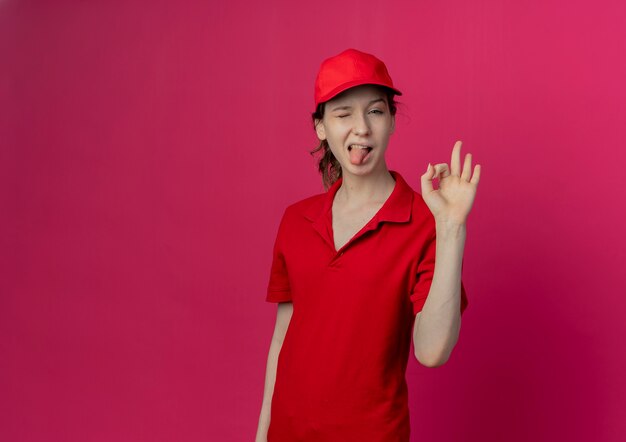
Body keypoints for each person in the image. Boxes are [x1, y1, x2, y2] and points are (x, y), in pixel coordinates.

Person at [256, 48, 481, 442]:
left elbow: (432, 352)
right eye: (343, 113)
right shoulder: (296, 220)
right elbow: (282, 340)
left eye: (375, 111)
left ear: (392, 121)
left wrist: (451, 228)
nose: (361, 127)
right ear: (320, 127)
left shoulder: (424, 222)